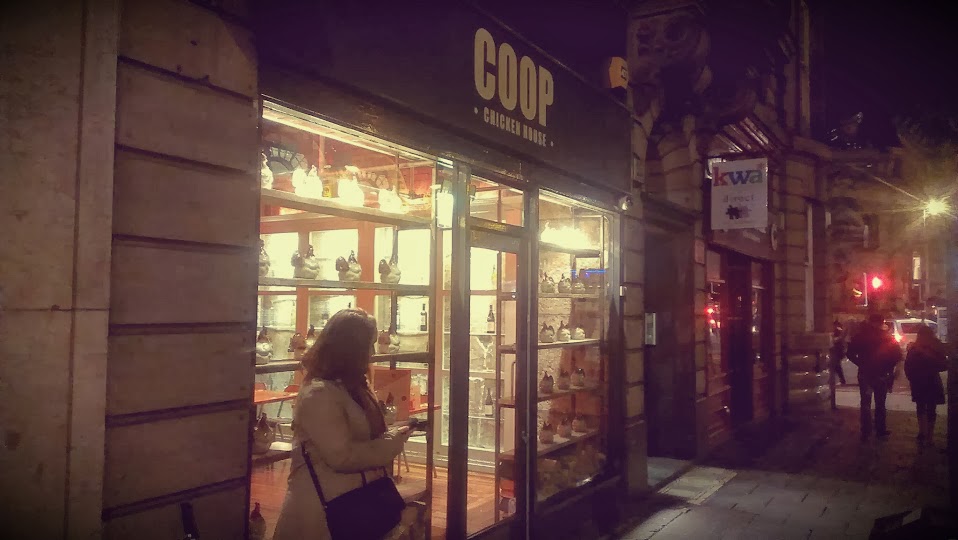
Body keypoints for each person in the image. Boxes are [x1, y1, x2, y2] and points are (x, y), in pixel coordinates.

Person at [273, 309, 413, 540]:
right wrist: (391, 443)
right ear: (350, 349)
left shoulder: (352, 386)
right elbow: (342, 457)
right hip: (324, 510)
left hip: (356, 501)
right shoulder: (319, 394)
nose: (372, 353)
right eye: (368, 346)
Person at [847, 313, 903, 440]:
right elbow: (896, 355)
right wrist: (891, 369)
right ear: (881, 322)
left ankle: (866, 430)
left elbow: (850, 353)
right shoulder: (886, 337)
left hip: (865, 373)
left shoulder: (860, 336)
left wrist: (861, 363)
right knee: (880, 403)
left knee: (865, 402)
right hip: (881, 374)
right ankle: (880, 429)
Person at [904, 325, 948, 447]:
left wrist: (911, 377)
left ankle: (924, 433)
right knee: (928, 408)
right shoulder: (933, 347)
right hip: (930, 380)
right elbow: (943, 364)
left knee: (923, 407)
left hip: (922, 381)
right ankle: (927, 435)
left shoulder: (916, 348)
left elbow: (908, 365)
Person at [830, 320, 848, 385]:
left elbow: (838, 339)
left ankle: (840, 380)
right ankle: (841, 380)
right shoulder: (840, 330)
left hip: (837, 350)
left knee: (835, 365)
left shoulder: (837, 330)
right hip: (838, 350)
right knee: (836, 365)